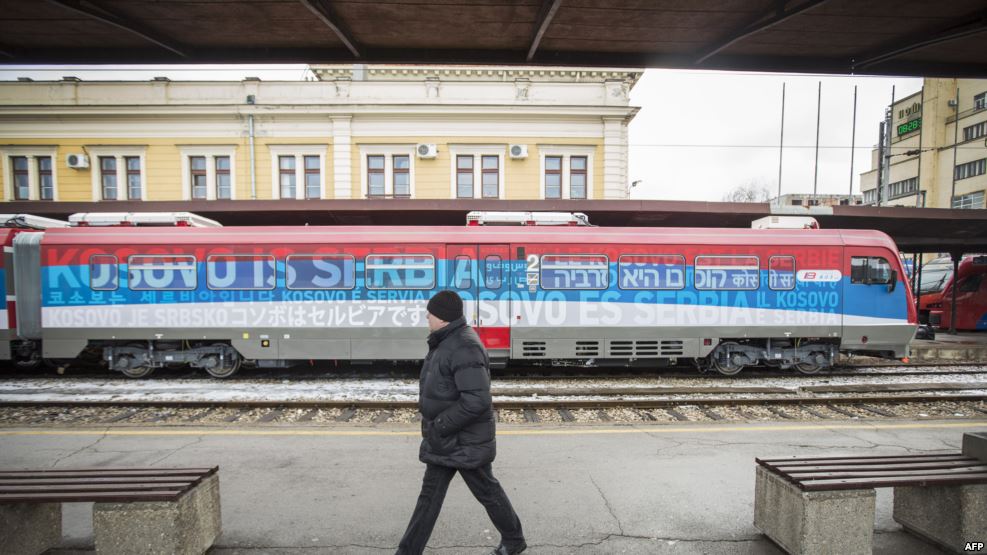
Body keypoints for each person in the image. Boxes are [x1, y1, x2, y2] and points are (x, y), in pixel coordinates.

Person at [396, 290, 526, 555]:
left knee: (487, 491)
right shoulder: (447, 341)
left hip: (463, 440)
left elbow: (477, 400)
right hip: (447, 439)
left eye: (430, 313)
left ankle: (514, 540)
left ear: (443, 318)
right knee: (430, 499)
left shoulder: (464, 346)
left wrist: (440, 425)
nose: (427, 317)